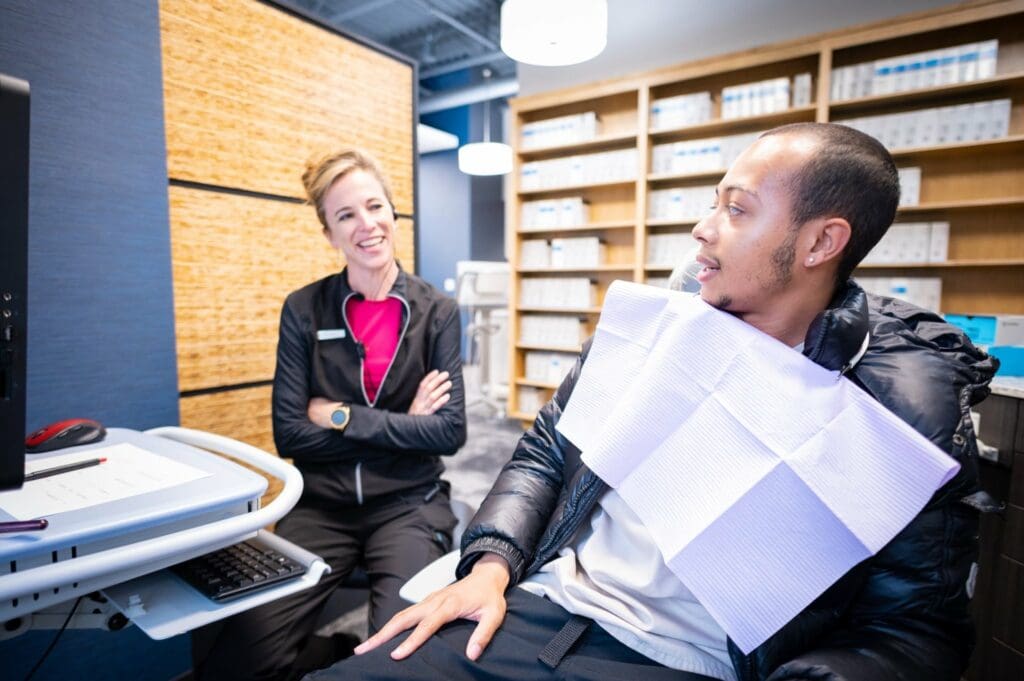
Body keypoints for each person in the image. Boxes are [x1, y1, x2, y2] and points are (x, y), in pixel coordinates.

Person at [307, 123, 997, 681]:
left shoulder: (902, 408)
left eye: (736, 208)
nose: (703, 228)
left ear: (821, 241)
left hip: (679, 660)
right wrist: (490, 564)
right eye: (712, 201)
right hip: (535, 605)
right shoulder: (658, 327)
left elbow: (917, 628)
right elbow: (545, 451)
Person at [196, 149, 467, 681]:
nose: (366, 225)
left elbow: (449, 432)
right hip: (321, 507)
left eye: (375, 207)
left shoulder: (438, 311)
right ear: (329, 233)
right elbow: (290, 433)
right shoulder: (303, 309)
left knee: (400, 658)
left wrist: (343, 416)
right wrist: (404, 424)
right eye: (346, 215)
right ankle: (340, 648)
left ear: (393, 212)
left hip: (409, 504)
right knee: (237, 658)